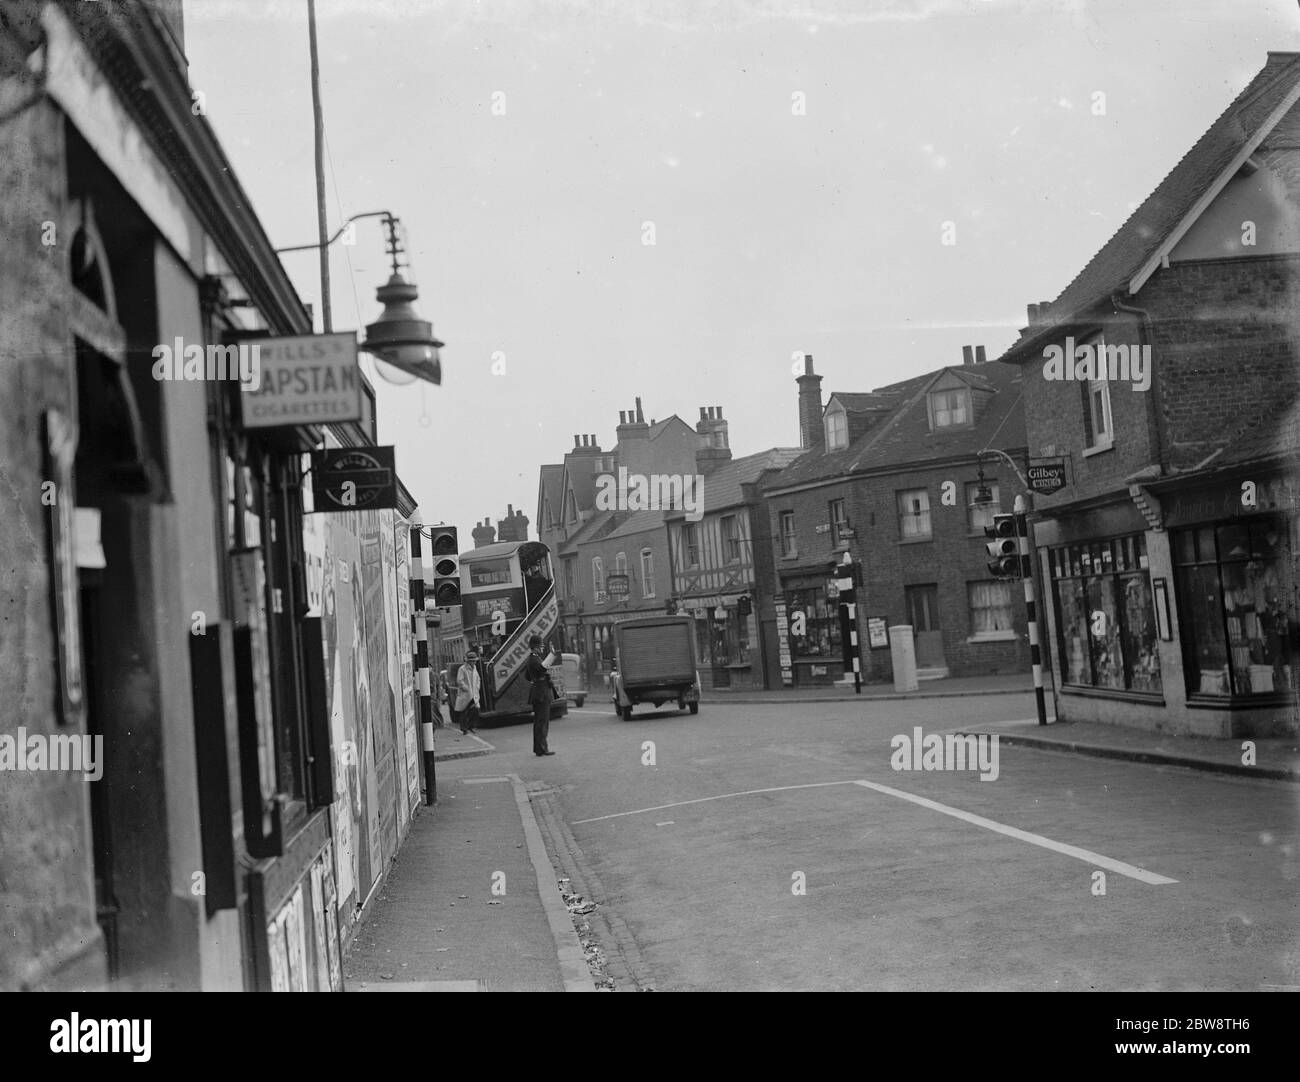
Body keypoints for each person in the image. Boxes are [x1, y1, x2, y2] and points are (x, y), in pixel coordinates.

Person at [525, 634, 556, 756]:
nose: (542, 648)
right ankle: (542, 748)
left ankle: (539, 748)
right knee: (542, 722)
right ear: (536, 647)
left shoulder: (533, 658)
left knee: (540, 721)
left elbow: (527, 676)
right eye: (541, 646)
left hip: (538, 690)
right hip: (541, 692)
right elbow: (541, 669)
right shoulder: (534, 659)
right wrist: (551, 657)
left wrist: (535, 679)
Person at [455, 649, 483, 734]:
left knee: (475, 710)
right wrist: (466, 688)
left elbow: (478, 679)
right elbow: (460, 680)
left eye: (475, 661)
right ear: (468, 661)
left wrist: (477, 687)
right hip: (465, 694)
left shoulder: (475, 668)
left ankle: (471, 726)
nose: (474, 662)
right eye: (472, 661)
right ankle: (464, 729)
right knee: (464, 711)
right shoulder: (462, 669)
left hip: (474, 693)